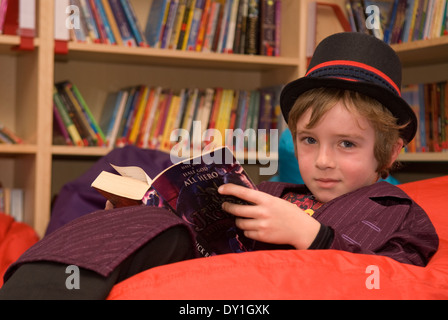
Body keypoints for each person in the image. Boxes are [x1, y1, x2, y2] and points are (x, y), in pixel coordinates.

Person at [0, 32, 439, 300]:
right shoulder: (274, 191)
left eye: (346, 144)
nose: (322, 160)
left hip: (265, 285)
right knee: (145, 224)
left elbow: (394, 278)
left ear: (391, 150)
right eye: (308, 140)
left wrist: (314, 235)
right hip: (211, 263)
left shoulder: (395, 209)